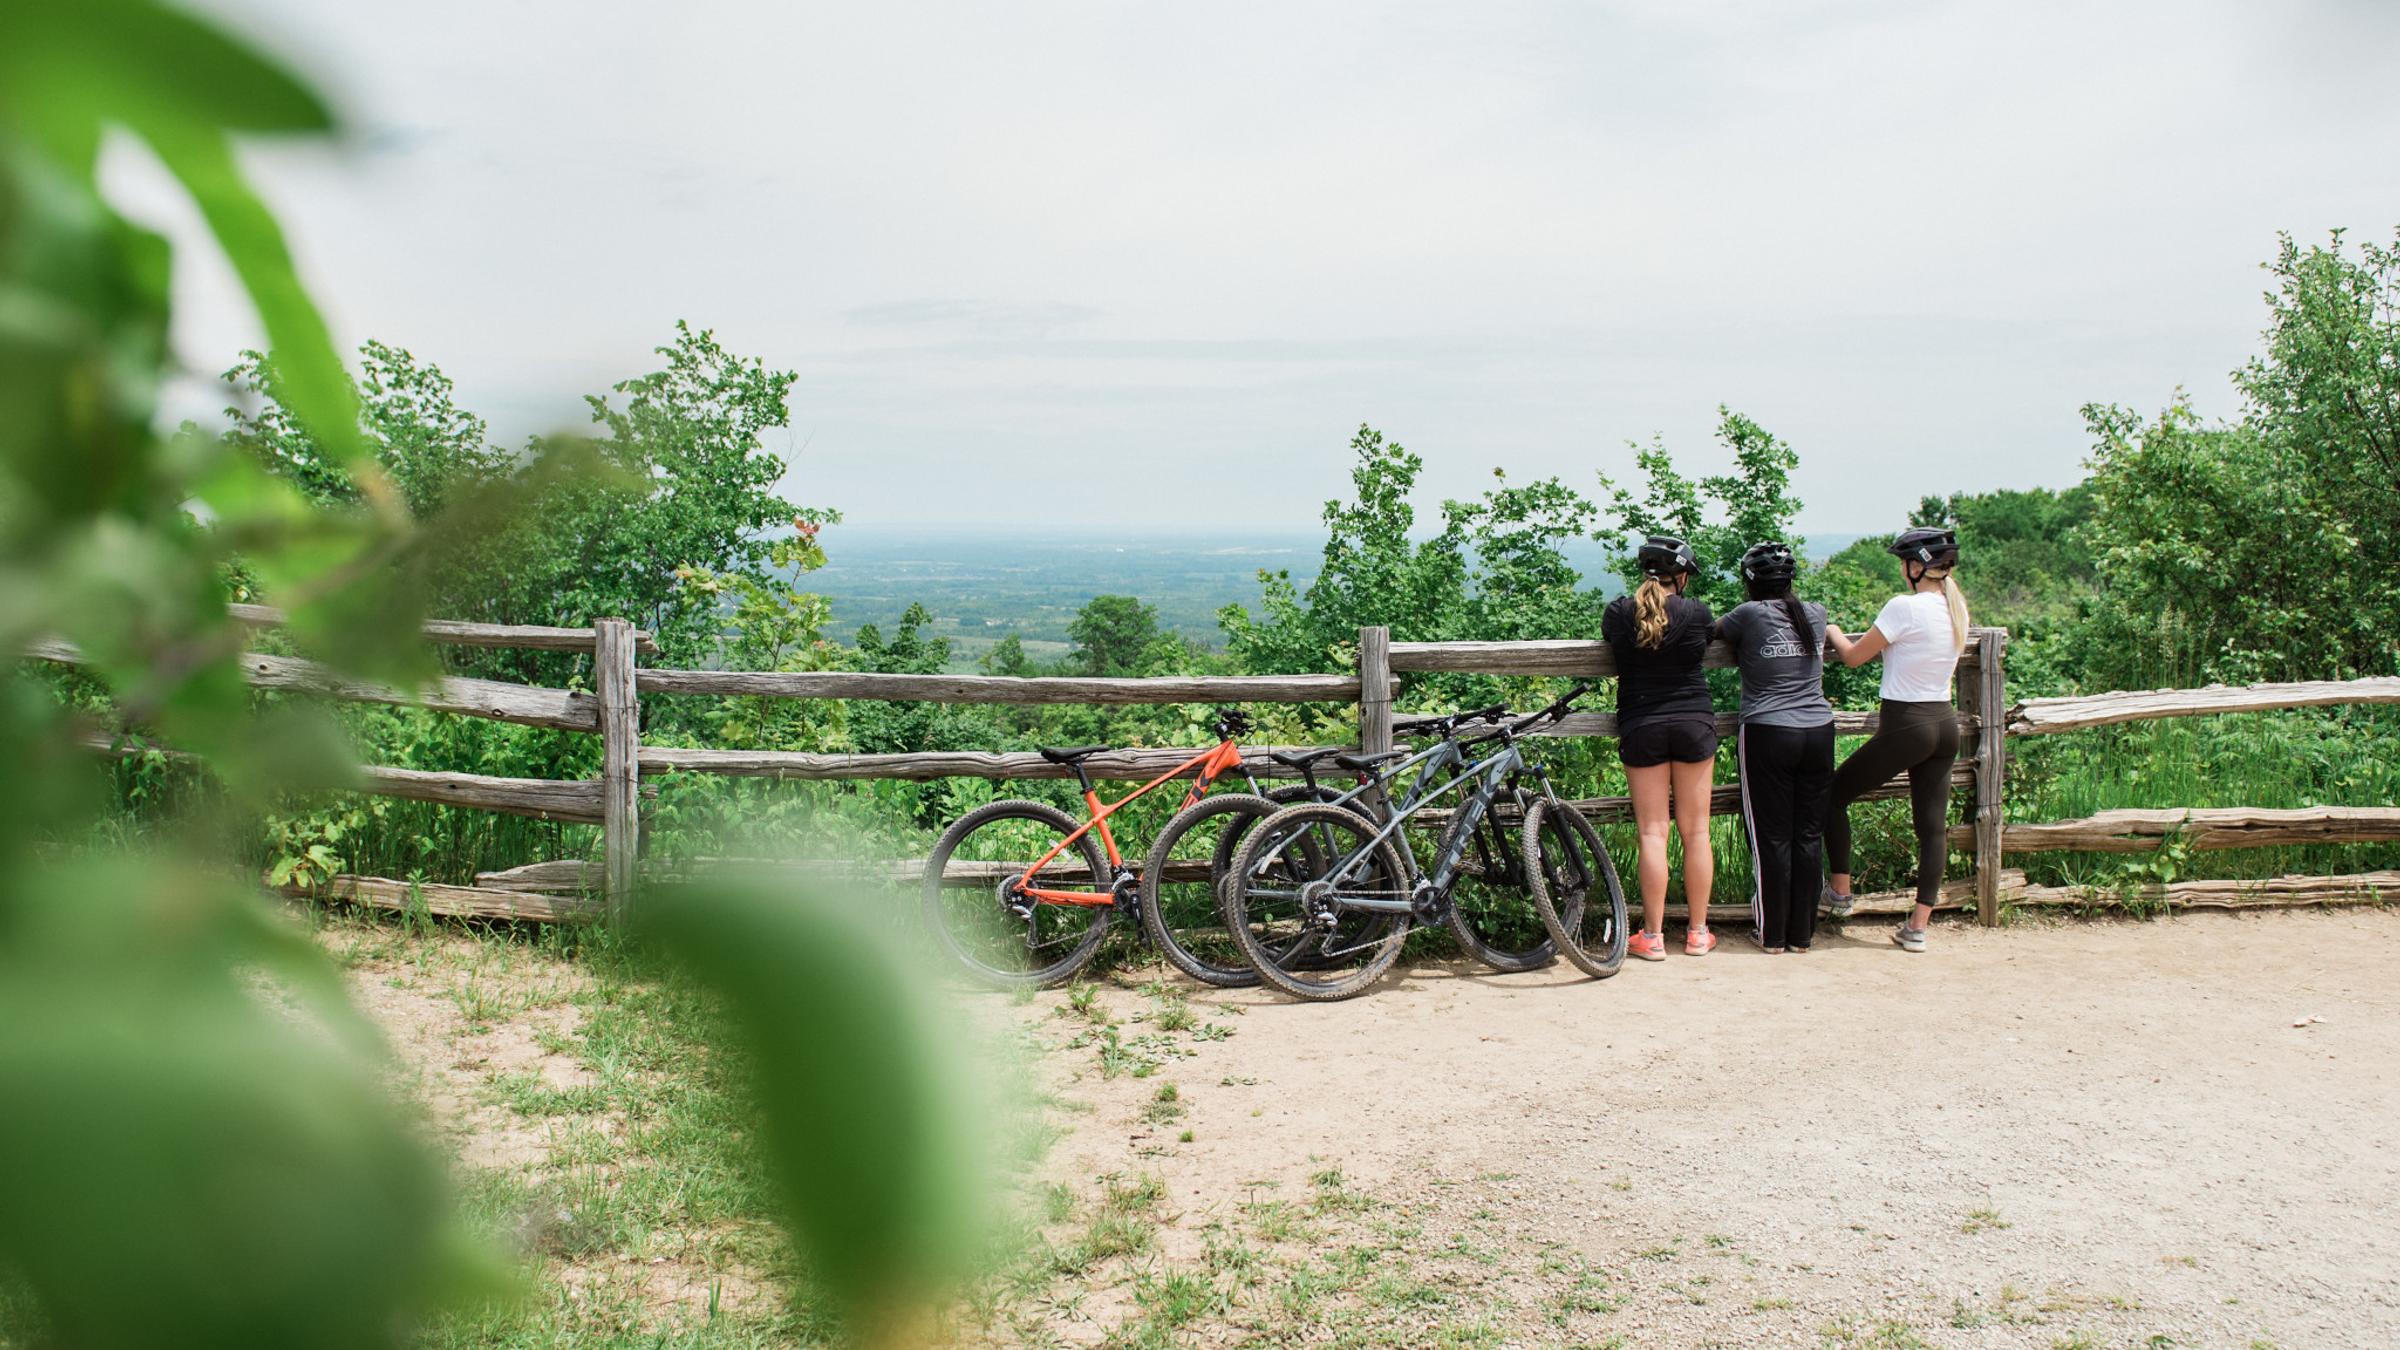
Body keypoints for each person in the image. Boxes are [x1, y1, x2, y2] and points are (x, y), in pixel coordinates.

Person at [1822, 526, 1971, 953]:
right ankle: (1917, 927)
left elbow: (1852, 658)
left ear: (1916, 565)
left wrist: (1832, 629)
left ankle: (1840, 891)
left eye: (1903, 562)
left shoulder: (1904, 607)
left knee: (1833, 794)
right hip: (1945, 724)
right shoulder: (1955, 610)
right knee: (1931, 827)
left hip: (1908, 724)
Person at [1715, 542, 1834, 954]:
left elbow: (1712, 632)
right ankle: (1803, 935)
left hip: (1768, 731)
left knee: (1772, 835)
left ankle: (1772, 935)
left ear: (1749, 582)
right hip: (1819, 729)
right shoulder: (1815, 612)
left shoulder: (1747, 615)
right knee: (1808, 834)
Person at [1601, 535, 1717, 959]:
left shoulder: (1619, 612)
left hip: (1641, 723)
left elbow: (1613, 640)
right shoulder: (1698, 612)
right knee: (1697, 831)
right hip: (1693, 723)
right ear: (1681, 576)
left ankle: (1652, 936)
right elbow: (1705, 640)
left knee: (1653, 832)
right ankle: (1699, 933)